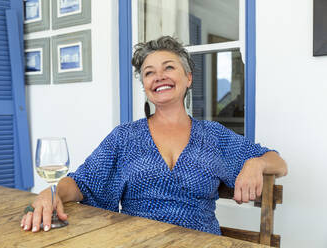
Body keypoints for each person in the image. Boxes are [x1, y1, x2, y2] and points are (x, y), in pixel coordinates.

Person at [21, 36, 287, 234]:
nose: (159, 77)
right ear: (145, 85)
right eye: (149, 72)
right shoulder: (125, 137)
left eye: (168, 68)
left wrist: (257, 162)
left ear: (188, 77)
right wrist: (51, 193)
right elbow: (83, 182)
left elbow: (279, 163)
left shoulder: (213, 135)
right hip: (137, 241)